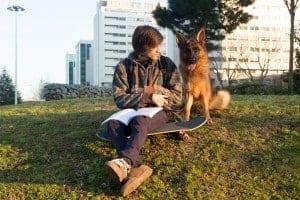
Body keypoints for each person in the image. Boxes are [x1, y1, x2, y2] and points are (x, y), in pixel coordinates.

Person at [104, 25, 182, 196]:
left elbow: (177, 97)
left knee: (141, 121)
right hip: (131, 111)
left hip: (159, 111)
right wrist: (147, 95)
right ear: (142, 49)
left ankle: (125, 162)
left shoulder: (166, 65)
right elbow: (119, 98)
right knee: (112, 124)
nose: (159, 51)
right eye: (155, 48)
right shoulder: (123, 67)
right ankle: (137, 168)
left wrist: (154, 91)